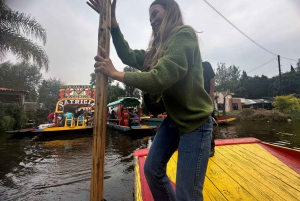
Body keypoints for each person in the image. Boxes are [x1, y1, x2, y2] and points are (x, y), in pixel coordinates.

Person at [88, 0, 213, 200]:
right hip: (174, 121)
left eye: (155, 14)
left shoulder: (184, 35)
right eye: (150, 18)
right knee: (152, 170)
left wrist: (114, 73)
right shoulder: (158, 49)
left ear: (170, 11)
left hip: (195, 124)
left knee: (187, 196)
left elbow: (158, 79)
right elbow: (127, 55)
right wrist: (113, 25)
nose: (152, 21)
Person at [202, 61, 218, 157]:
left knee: (210, 121)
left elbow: (212, 79)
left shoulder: (205, 65)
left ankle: (211, 147)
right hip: (195, 99)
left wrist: (211, 95)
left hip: (207, 98)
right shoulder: (190, 65)